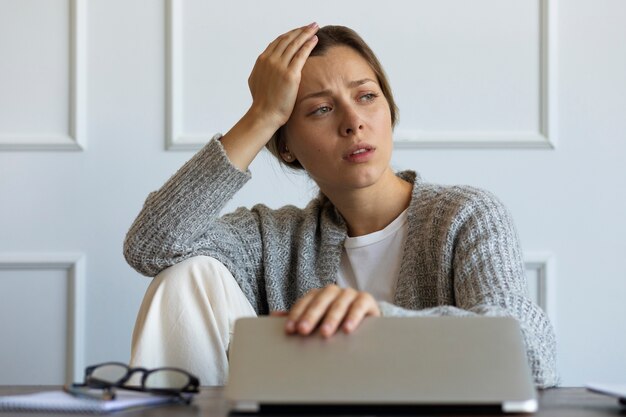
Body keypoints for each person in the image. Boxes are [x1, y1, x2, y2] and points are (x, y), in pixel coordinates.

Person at [124, 23, 558, 388]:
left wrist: (380, 323)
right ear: (287, 146)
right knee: (187, 275)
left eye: (366, 96)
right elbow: (150, 246)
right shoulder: (270, 238)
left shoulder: (465, 217)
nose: (353, 121)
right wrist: (261, 116)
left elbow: (533, 357)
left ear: (389, 110)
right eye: (321, 109)